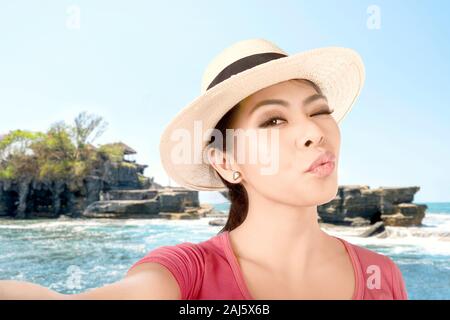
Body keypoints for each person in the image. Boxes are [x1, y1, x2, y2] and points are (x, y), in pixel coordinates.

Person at [0, 38, 408, 300]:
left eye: (319, 112)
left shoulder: (383, 276)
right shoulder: (185, 275)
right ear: (226, 160)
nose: (313, 133)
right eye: (273, 120)